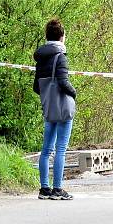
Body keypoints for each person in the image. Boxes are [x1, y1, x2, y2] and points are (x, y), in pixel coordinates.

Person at [33, 18, 77, 200]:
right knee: (60, 149)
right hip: (63, 108)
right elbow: (63, 82)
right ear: (61, 37)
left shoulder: (40, 58)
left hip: (49, 108)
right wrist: (74, 93)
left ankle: (44, 189)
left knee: (46, 150)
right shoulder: (61, 57)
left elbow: (36, 87)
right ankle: (58, 189)